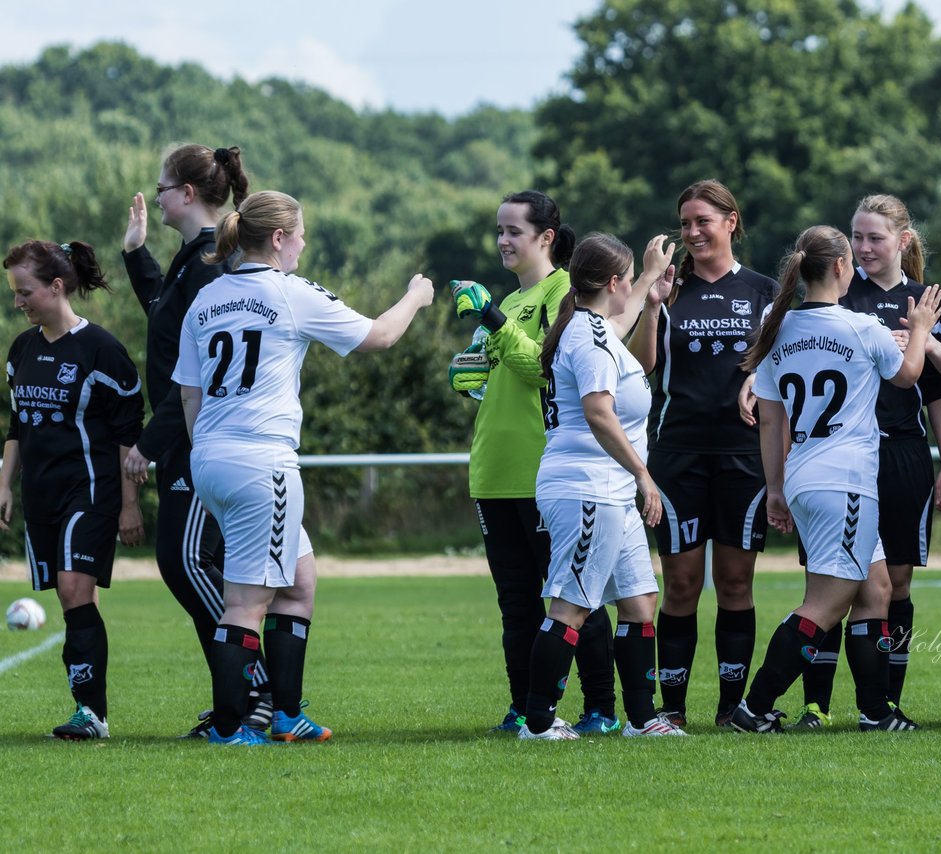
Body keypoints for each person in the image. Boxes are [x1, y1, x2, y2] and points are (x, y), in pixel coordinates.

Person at [173, 190, 434, 745]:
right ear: (277, 239)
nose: (304, 243)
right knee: (245, 604)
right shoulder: (288, 292)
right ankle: (230, 728)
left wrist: (208, 458)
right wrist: (416, 296)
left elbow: (190, 397)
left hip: (212, 458)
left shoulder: (207, 297)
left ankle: (287, 714)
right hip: (261, 462)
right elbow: (380, 336)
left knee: (299, 583)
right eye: (301, 234)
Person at [726, 225, 941, 733]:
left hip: (805, 475)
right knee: (826, 603)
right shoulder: (860, 327)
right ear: (842, 267)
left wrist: (776, 488)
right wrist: (921, 328)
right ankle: (752, 708)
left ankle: (875, 713)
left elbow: (773, 422)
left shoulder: (777, 326)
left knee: (876, 590)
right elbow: (909, 376)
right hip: (844, 480)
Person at [447, 190, 619, 734]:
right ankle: (523, 707)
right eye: (498, 229)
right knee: (516, 605)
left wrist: (494, 322)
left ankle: (600, 710)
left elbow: (543, 370)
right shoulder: (510, 299)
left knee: (571, 597)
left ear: (546, 238)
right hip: (493, 472)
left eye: (513, 231)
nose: (502, 240)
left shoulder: (565, 291)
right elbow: (502, 368)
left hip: (544, 472)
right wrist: (470, 372)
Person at [119, 143, 274, 737]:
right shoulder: (194, 258)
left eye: (161, 186)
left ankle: (255, 690)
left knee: (187, 561)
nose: (154, 195)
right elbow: (165, 317)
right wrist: (136, 255)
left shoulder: (210, 260)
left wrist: (148, 444)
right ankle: (235, 704)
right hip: (185, 438)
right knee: (189, 565)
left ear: (186, 194)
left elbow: (195, 376)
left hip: (199, 439)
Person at [795, 194, 941, 725]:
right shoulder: (838, 293)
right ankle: (815, 704)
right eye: (857, 237)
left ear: (902, 242)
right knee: (832, 583)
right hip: (841, 457)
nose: (863, 248)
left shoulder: (923, 299)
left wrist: (923, 339)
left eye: (875, 238)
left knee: (898, 584)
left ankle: (885, 701)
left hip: (905, 453)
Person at [517, 232, 684, 739]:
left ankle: (641, 719)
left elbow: (626, 312)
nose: (631, 288)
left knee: (638, 602)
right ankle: (539, 722)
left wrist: (651, 279)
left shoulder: (597, 324)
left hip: (608, 489)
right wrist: (643, 474)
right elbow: (597, 412)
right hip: (588, 487)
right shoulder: (587, 339)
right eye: (628, 278)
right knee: (571, 605)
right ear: (611, 282)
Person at [628, 180, 779, 728]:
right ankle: (671, 710)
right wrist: (651, 305)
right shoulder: (670, 291)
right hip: (678, 455)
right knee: (684, 583)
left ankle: (728, 709)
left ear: (730, 222)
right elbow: (643, 364)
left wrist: (759, 377)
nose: (692, 233)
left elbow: (780, 362)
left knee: (737, 582)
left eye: (702, 222)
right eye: (684, 224)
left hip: (745, 456)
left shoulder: (765, 291)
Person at [0, 239, 145, 739]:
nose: (18, 302)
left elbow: (130, 436)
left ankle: (92, 714)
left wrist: (130, 506)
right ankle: (91, 710)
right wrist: (5, 484)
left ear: (56, 287)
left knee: (73, 589)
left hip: (91, 491)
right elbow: (18, 426)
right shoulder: (21, 351)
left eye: (25, 292)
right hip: (41, 497)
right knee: (72, 600)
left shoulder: (101, 350)